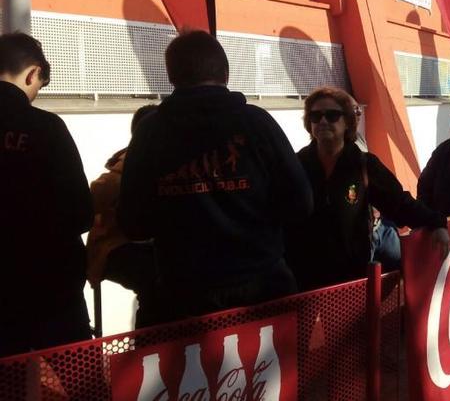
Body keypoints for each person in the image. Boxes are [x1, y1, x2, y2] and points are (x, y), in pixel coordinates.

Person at [119, 31, 313, 324]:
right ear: (226, 73)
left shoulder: (149, 132)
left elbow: (133, 224)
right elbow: (301, 203)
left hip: (181, 298)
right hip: (262, 290)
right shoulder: (257, 123)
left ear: (172, 77)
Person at [291, 87, 449, 290]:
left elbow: (399, 204)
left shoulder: (364, 164)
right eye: (315, 116)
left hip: (349, 276)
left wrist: (436, 223)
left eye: (332, 115)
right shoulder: (296, 165)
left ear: (347, 121)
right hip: (305, 276)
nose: (322, 121)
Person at [0, 32, 93, 357]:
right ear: (32, 73)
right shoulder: (47, 128)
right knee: (82, 381)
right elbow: (81, 212)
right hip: (52, 293)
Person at [87, 104, 161, 327]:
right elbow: (91, 200)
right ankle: (150, 348)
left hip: (137, 247)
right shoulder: (124, 170)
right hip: (114, 249)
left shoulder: (153, 161)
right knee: (157, 283)